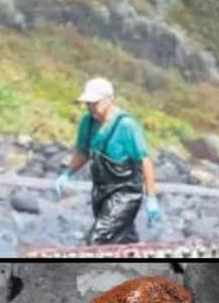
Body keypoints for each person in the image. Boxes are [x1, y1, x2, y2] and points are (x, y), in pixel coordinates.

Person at [54, 77, 159, 245]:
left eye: (94, 103)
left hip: (126, 193)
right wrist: (67, 174)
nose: (90, 108)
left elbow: (144, 161)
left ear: (109, 100)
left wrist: (151, 197)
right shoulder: (87, 123)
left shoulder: (126, 125)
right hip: (101, 192)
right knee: (121, 238)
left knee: (97, 238)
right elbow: (83, 152)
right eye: (88, 103)